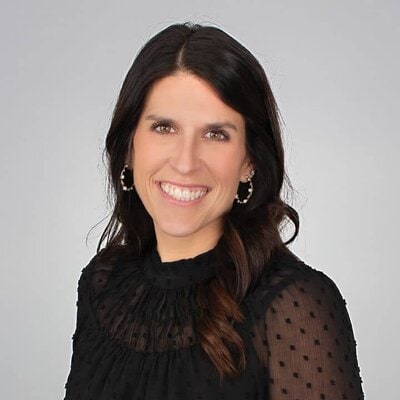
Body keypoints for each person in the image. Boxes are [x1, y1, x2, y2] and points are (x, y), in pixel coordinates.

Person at [64, 22, 364, 399]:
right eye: (164, 128)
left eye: (215, 134)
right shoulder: (102, 285)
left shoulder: (295, 304)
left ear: (249, 162)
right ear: (129, 147)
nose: (185, 162)